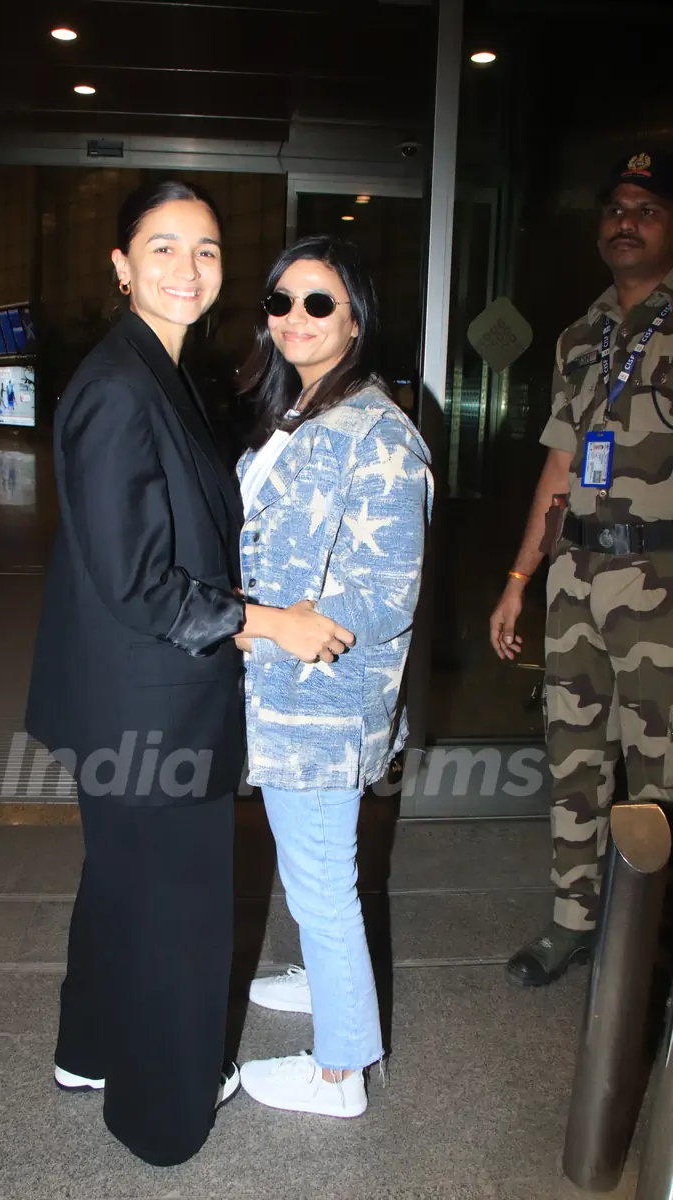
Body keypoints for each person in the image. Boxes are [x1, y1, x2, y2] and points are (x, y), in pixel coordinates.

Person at [24, 180, 354, 1166]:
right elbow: (137, 581)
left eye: (205, 251)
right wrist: (266, 625)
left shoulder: (156, 371)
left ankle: (87, 1052)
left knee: (122, 887)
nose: (186, 268)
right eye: (161, 248)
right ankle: (160, 1117)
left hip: (127, 691)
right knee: (176, 911)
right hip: (148, 702)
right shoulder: (120, 387)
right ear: (121, 267)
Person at [234, 236, 432, 1117]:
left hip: (322, 702)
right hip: (285, 693)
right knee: (310, 863)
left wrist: (260, 632)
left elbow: (385, 596)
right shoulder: (303, 413)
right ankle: (326, 979)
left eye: (319, 303)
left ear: (356, 316)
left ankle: (339, 1070)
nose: (295, 320)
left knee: (321, 873)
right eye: (281, 302)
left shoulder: (382, 434)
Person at [489, 151, 673, 987]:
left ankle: (656, 944)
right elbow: (561, 468)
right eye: (614, 209)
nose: (624, 221)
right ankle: (573, 924)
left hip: (661, 586)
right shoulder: (581, 336)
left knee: (662, 779)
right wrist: (521, 580)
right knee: (573, 761)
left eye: (646, 208)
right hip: (575, 577)